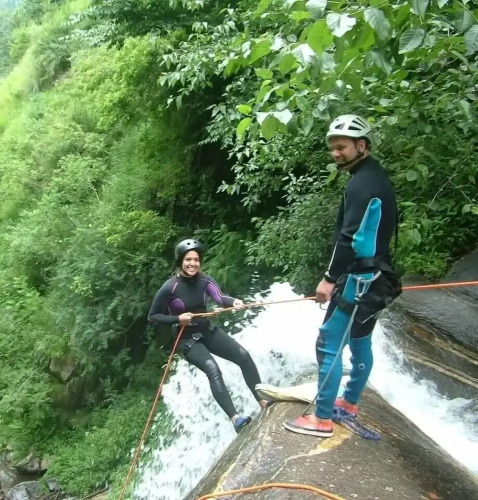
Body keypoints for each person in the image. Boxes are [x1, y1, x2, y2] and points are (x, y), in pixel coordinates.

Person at [284, 114, 400, 437]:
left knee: (328, 343)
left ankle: (321, 419)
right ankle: (348, 403)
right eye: (333, 148)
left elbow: (349, 238)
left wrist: (329, 278)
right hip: (378, 276)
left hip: (358, 280)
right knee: (360, 340)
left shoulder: (360, 184)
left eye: (342, 147)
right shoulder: (375, 176)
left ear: (361, 146)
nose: (336, 153)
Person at [148, 238, 268, 433]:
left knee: (244, 357)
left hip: (206, 330)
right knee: (213, 369)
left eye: (196, 259)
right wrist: (178, 319)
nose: (193, 263)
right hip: (186, 339)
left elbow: (220, 297)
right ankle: (236, 419)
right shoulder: (170, 287)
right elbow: (153, 316)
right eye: (188, 259)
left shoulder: (205, 280)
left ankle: (262, 401)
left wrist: (234, 302)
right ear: (180, 261)